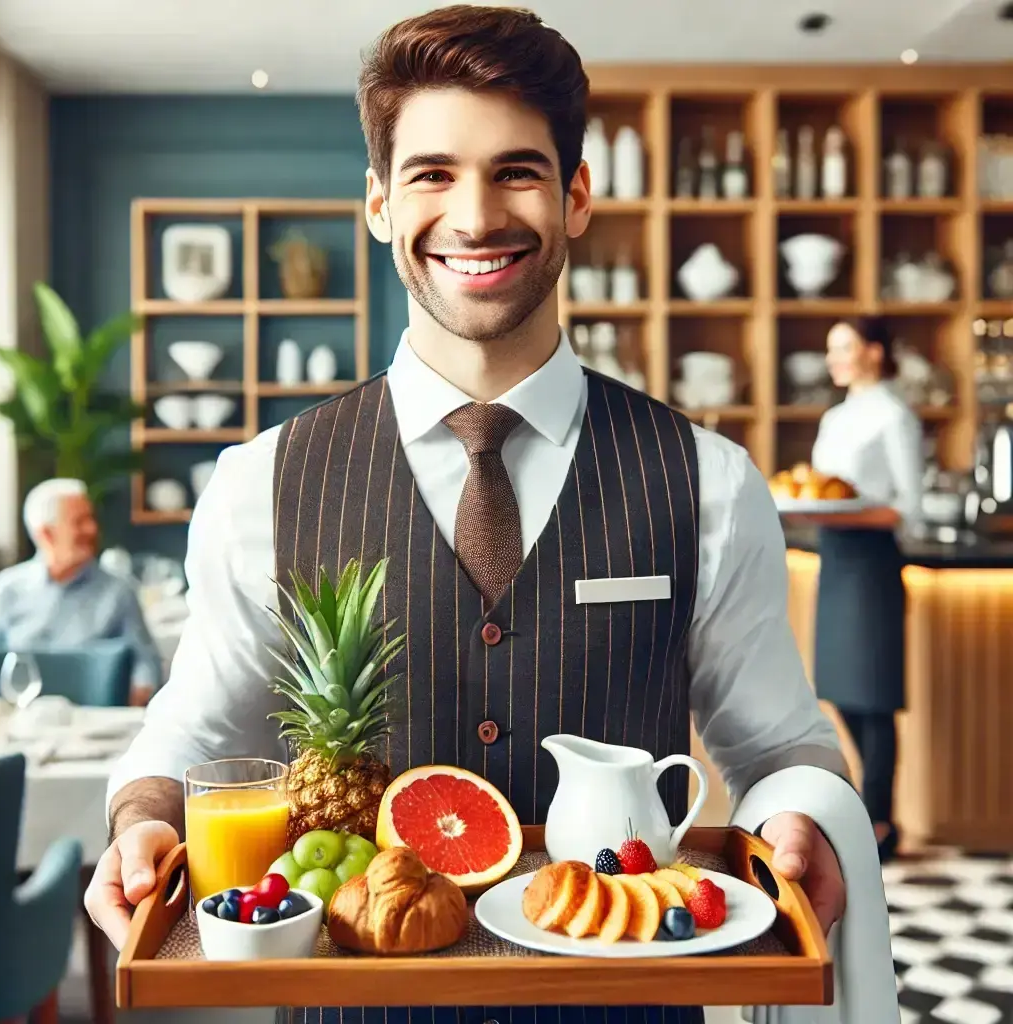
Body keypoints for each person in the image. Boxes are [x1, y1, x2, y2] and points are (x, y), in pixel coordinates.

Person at [86, 9, 893, 1024]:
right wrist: (143, 815)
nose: (473, 216)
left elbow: (776, 747)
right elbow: (198, 726)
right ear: (378, 203)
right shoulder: (263, 482)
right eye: (430, 174)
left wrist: (804, 820)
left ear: (576, 196)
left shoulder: (708, 480)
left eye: (516, 171)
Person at [807, 316, 924, 862]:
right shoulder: (834, 418)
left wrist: (848, 515)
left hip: (873, 562)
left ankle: (879, 820)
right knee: (841, 689)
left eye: (844, 348)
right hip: (835, 558)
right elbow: (821, 490)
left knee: (872, 697)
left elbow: (910, 510)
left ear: (875, 353)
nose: (834, 359)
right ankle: (870, 809)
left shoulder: (895, 416)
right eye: (831, 350)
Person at [0, 478, 163, 706]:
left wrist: (137, 691)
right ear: (46, 535)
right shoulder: (6, 590)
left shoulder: (119, 591)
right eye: (79, 522)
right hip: (20, 721)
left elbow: (146, 666)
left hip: (92, 724)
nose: (92, 529)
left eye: (91, 519)